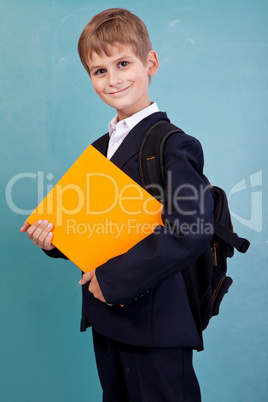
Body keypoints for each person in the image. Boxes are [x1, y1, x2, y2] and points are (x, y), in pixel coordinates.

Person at [20, 8, 214, 402]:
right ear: (90, 79)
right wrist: (54, 241)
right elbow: (95, 226)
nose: (113, 79)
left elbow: (190, 230)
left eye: (123, 63)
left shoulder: (173, 144)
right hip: (108, 320)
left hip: (156, 324)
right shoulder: (99, 150)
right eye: (99, 70)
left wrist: (112, 281)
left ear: (150, 63)